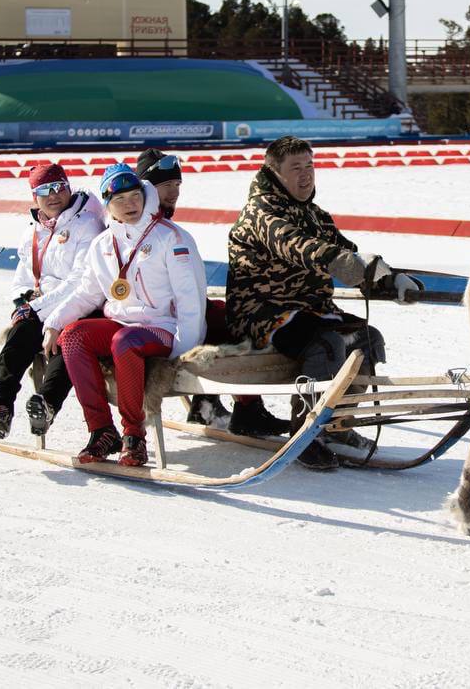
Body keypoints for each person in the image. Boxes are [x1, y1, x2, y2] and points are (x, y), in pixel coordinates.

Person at [225, 135, 419, 470]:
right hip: (261, 313)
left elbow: (350, 253)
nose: (306, 174)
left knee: (366, 338)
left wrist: (389, 276)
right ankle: (305, 435)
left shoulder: (316, 215)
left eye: (310, 165)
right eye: (295, 168)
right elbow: (294, 245)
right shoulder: (261, 212)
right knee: (325, 344)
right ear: (275, 173)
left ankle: (337, 426)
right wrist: (340, 261)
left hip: (310, 310)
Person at [41, 164, 208, 466]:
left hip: (164, 328)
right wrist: (54, 322)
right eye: (120, 200)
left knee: (124, 340)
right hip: (123, 324)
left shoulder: (170, 237)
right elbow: (87, 293)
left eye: (135, 196)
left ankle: (134, 436)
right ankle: (102, 431)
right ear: (108, 205)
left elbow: (190, 299)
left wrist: (185, 350)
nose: (130, 205)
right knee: (74, 336)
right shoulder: (103, 244)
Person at [134, 148, 290, 435]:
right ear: (145, 187)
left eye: (177, 185)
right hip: (155, 321)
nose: (174, 192)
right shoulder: (139, 228)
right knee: (228, 321)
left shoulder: (163, 226)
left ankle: (215, 405)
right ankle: (241, 409)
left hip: (174, 313)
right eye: (165, 185)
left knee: (229, 316)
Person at [0, 164, 103, 439]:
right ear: (34, 197)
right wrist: (22, 304)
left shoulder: (87, 223)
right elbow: (22, 279)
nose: (53, 195)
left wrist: (38, 307)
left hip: (79, 305)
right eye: (44, 190)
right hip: (43, 306)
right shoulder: (33, 231)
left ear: (69, 187)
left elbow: (81, 279)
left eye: (58, 187)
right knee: (18, 337)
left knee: (66, 343)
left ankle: (47, 403)